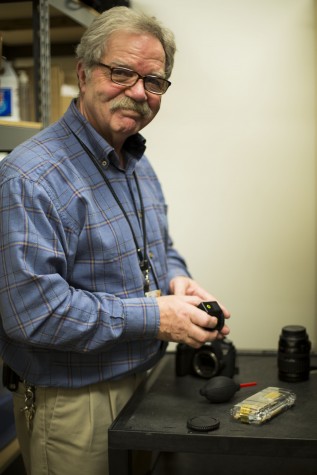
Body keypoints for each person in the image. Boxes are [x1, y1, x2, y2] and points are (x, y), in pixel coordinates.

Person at [0, 6, 230, 475]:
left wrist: (177, 280)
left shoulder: (135, 161)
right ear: (84, 73)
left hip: (143, 383)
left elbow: (159, 248)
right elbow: (33, 315)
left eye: (154, 82)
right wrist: (156, 317)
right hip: (75, 407)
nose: (138, 93)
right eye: (122, 72)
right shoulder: (31, 176)